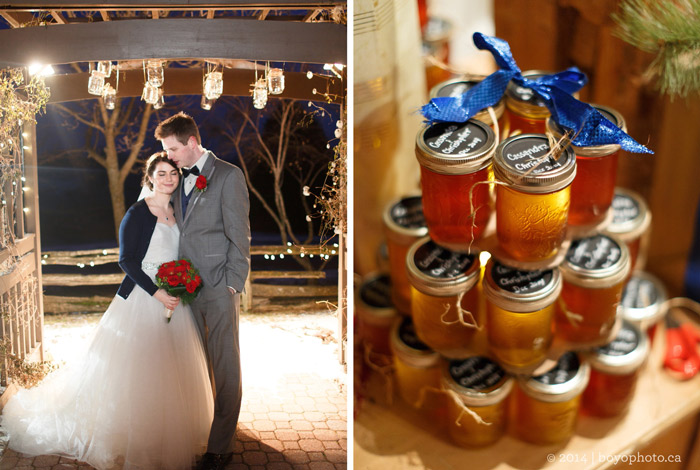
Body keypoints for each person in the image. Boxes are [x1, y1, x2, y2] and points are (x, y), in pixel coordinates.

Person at [0, 152, 214, 469]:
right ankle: (133, 431)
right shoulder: (138, 213)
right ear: (150, 177)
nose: (168, 178)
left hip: (174, 298)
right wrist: (157, 293)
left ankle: (166, 427)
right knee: (136, 370)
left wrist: (181, 284)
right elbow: (126, 261)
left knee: (171, 367)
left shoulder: (178, 210)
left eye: (173, 173)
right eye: (162, 173)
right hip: (143, 299)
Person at [155, 111, 251, 470]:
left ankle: (221, 447)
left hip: (219, 286)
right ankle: (213, 423)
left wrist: (232, 283)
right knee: (199, 363)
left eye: (173, 149)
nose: (169, 156)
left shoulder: (228, 176)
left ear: (192, 143)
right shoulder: (177, 178)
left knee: (225, 362)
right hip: (187, 288)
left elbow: (240, 237)